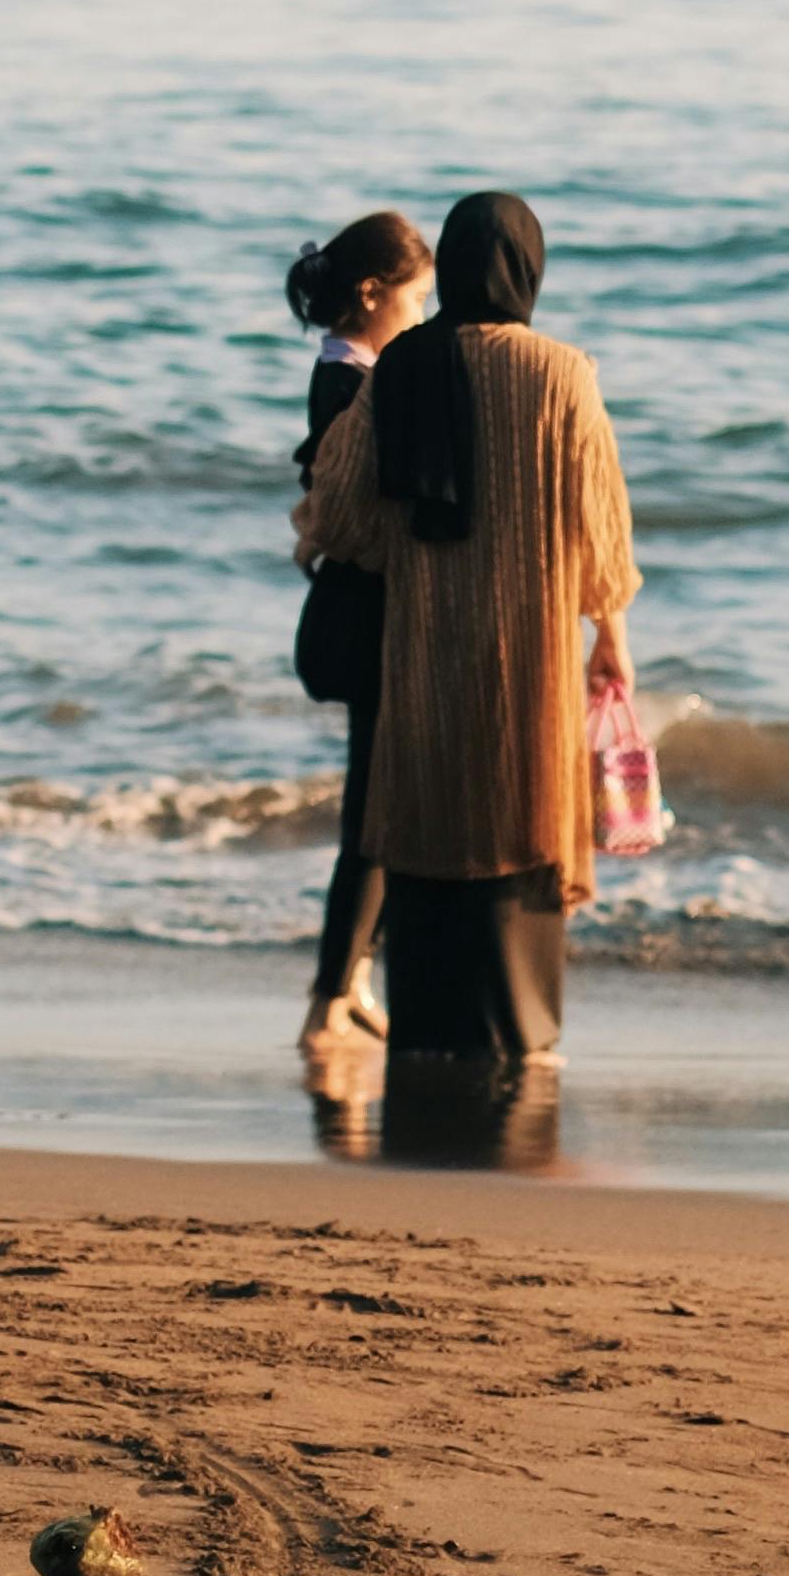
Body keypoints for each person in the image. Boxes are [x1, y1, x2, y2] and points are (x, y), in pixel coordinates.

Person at [292, 188, 637, 1080]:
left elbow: (338, 513)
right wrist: (612, 637)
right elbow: (601, 528)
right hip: (531, 648)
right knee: (522, 806)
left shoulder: (404, 364)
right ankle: (521, 1031)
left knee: (430, 813)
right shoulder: (565, 373)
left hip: (423, 644)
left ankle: (429, 1026)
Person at [283, 209, 431, 1079]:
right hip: (365, 612)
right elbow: (348, 493)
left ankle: (352, 983)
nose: (423, 312)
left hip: (363, 604)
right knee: (371, 810)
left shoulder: (354, 371)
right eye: (417, 297)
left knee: (379, 803)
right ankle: (327, 997)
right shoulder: (349, 382)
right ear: (372, 293)